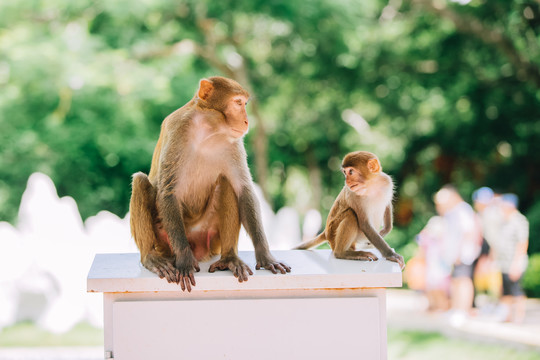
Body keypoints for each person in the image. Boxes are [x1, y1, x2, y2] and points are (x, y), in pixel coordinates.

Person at [434, 185, 483, 324]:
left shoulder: (463, 210)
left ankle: (463, 310)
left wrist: (459, 252)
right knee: (456, 281)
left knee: (463, 281)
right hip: (454, 255)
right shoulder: (453, 212)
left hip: (463, 254)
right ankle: (456, 309)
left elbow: (468, 232)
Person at [484, 193, 529, 323]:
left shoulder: (519, 220)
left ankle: (518, 317)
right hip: (504, 262)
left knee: (516, 290)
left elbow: (522, 243)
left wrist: (516, 264)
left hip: (514, 262)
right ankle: (507, 316)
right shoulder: (503, 221)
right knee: (506, 290)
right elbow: (497, 242)